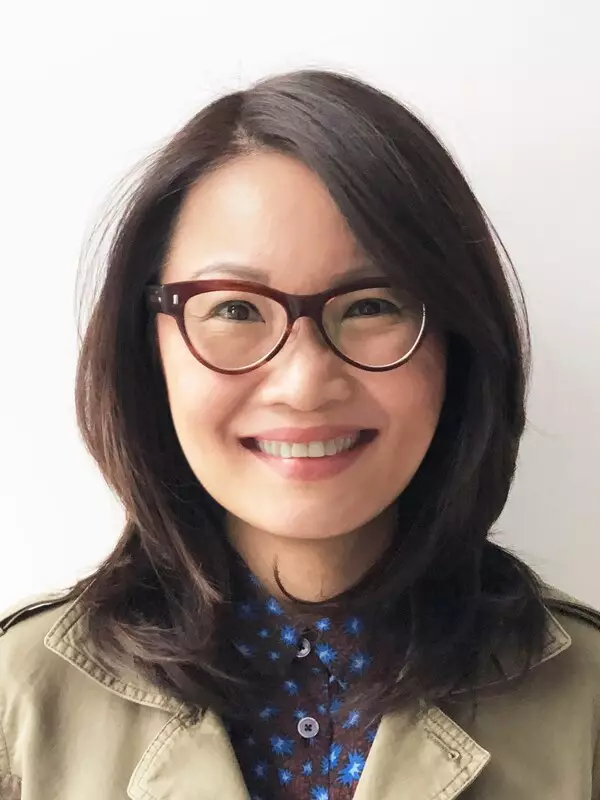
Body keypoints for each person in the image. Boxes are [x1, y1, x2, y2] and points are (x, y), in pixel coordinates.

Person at [0, 68, 598, 800]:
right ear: (148, 350)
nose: (305, 383)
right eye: (235, 309)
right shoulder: (19, 702)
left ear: (459, 345)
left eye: (372, 305)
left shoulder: (587, 704)